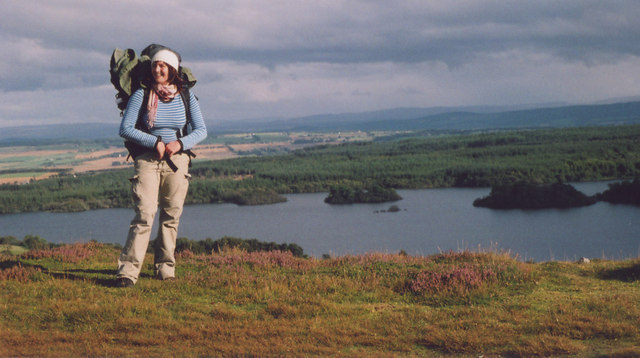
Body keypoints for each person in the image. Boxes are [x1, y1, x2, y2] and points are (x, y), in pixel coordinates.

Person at [116, 46, 207, 287]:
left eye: (163, 66)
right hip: (147, 159)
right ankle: (128, 271)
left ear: (173, 70)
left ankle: (165, 268)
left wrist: (180, 143)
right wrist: (153, 141)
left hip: (177, 161)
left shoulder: (186, 96)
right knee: (145, 213)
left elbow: (201, 130)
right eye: (156, 65)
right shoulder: (141, 95)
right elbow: (125, 129)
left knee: (171, 214)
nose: (158, 69)